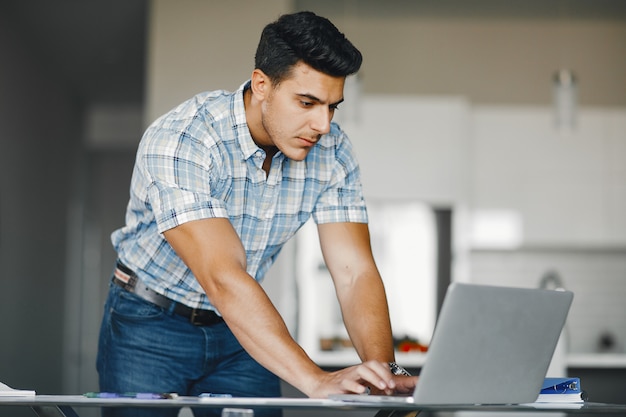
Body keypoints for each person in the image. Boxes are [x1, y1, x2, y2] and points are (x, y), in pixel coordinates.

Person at [97, 10, 417, 417]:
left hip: (241, 330)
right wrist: (315, 380)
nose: (322, 124)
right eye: (307, 102)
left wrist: (385, 377)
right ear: (262, 84)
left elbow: (354, 271)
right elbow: (223, 276)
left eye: (332, 107)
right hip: (148, 322)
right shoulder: (183, 139)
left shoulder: (333, 151)